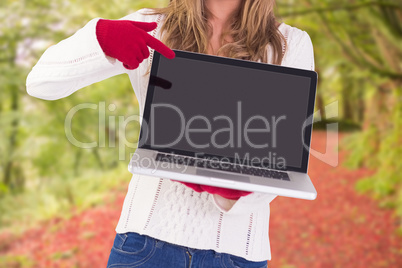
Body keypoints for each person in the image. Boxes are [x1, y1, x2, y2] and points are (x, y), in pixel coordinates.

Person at [26, 0, 315, 267]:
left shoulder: (291, 44)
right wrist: (101, 38)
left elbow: (284, 162)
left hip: (237, 255)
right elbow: (40, 82)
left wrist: (232, 189)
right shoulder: (154, 27)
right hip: (143, 245)